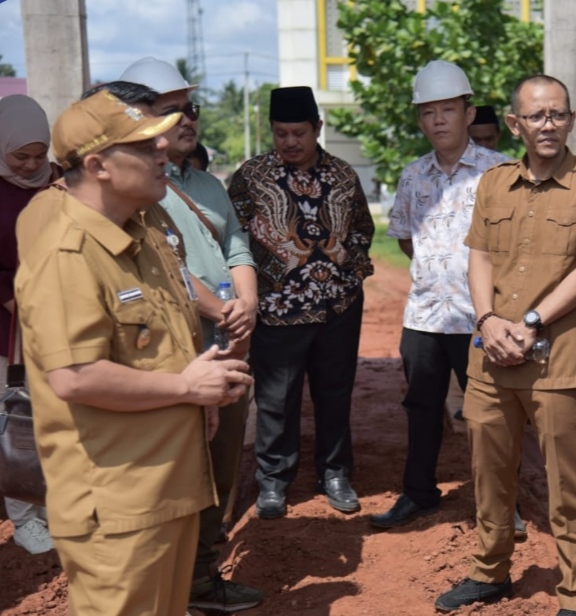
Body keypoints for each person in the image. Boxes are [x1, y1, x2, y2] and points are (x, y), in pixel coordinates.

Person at [14, 89, 252, 616]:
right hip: (118, 503)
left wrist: (200, 395)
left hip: (168, 486)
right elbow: (75, 376)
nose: (163, 150)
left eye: (159, 140)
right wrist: (186, 387)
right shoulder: (65, 250)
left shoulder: (142, 234)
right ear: (98, 165)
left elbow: (165, 333)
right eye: (144, 146)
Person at [435, 74, 576, 616]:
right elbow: (479, 258)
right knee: (489, 472)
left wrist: (533, 320)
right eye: (536, 116)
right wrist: (488, 319)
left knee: (570, 482)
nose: (548, 125)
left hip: (557, 358)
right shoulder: (493, 183)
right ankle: (490, 571)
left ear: (572, 120)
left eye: (558, 115)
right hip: (490, 355)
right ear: (515, 123)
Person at [120, 56, 263, 613]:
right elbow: (163, 266)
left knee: (223, 463)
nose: (186, 120)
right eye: (170, 110)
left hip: (228, 343)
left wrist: (245, 303)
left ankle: (204, 579)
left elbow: (236, 247)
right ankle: (171, 587)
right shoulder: (138, 188)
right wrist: (223, 309)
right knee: (179, 473)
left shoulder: (207, 184)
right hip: (176, 352)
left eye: (190, 109)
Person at [371, 61, 509, 531]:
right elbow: (406, 237)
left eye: (448, 109)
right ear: (419, 120)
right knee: (421, 410)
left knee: (490, 415)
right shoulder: (413, 176)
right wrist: (440, 272)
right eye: (428, 112)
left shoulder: (501, 172)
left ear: (468, 113)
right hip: (426, 316)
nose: (438, 120)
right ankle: (418, 493)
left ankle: (499, 505)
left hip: (481, 317)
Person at [229, 86, 374, 519]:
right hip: (276, 311)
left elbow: (363, 232)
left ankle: (335, 474)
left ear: (318, 129)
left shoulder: (345, 176)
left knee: (335, 393)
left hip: (337, 310)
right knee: (276, 398)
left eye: (298, 133)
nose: (290, 142)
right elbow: (232, 238)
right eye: (280, 133)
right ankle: (273, 481)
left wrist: (345, 267)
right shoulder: (250, 177)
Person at [0, 94, 57, 556]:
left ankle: (55, 506)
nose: (32, 165)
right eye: (21, 156)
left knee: (57, 418)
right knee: (17, 419)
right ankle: (23, 518)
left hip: (59, 321)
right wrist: (10, 296)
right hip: (8, 326)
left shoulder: (59, 184)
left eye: (40, 155)